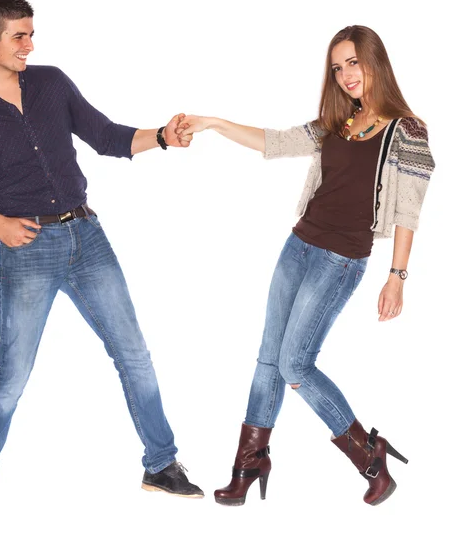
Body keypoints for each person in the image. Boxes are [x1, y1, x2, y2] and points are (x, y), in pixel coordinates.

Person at [0, 0, 204, 512]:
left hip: (87, 237)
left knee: (134, 354)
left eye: (31, 33)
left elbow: (105, 136)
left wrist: (164, 137)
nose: (30, 45)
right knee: (13, 368)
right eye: (19, 36)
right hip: (26, 247)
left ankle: (161, 464)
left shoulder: (51, 83)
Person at [177, 25, 435, 507]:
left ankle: (369, 456)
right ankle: (248, 465)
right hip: (298, 247)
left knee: (295, 362)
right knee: (269, 358)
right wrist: (213, 123)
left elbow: (407, 213)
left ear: (374, 60)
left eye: (353, 62)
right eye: (337, 67)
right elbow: (275, 142)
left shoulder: (408, 130)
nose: (345, 75)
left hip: (341, 260)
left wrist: (397, 278)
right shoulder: (337, 123)